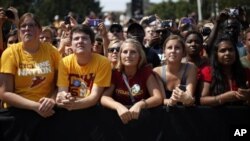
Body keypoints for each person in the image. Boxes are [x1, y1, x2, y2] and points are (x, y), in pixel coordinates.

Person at [0, 12, 61, 141]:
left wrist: (52, 100)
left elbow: (60, 85)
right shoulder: (10, 53)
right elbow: (5, 93)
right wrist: (35, 106)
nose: (27, 28)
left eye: (31, 25)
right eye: (23, 26)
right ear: (19, 31)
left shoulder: (52, 51)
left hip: (47, 111)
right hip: (18, 113)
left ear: (39, 30)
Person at [100, 38, 162, 141]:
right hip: (119, 125)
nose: (128, 55)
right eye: (125, 52)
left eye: (133, 52)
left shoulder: (145, 72)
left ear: (140, 56)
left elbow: (158, 97)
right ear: (120, 55)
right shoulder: (115, 73)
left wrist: (140, 104)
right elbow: (104, 97)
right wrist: (118, 106)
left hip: (143, 125)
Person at [200, 35, 250, 106]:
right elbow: (203, 100)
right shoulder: (208, 71)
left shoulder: (245, 72)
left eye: (231, 50)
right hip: (216, 115)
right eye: (222, 50)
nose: (227, 53)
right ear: (216, 54)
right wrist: (223, 98)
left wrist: (248, 96)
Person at [153, 35, 197, 106]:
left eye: (177, 48)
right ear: (164, 52)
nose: (173, 51)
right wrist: (171, 101)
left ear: (183, 53)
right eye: (169, 48)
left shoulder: (191, 68)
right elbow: (160, 100)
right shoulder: (157, 72)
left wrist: (186, 99)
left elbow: (189, 96)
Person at [184, 31, 211, 104]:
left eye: (197, 42)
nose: (193, 44)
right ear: (184, 45)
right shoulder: (179, 63)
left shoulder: (207, 65)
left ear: (202, 45)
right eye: (189, 42)